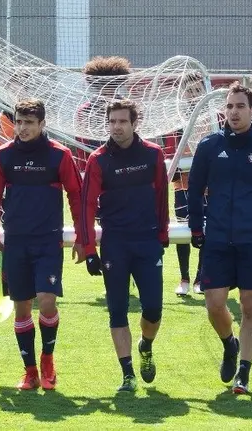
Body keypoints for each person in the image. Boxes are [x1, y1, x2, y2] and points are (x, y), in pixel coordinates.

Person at [187, 82, 252, 394]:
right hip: (217, 240)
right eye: (229, 106)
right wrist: (196, 227)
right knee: (214, 305)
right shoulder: (209, 146)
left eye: (240, 106)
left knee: (249, 306)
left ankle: (243, 371)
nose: (234, 112)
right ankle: (229, 344)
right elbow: (194, 190)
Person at [0, 98, 85, 391]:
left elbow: (76, 196)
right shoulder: (3, 155)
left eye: (29, 123)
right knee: (22, 309)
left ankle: (48, 360)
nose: (22, 128)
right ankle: (30, 371)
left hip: (48, 241)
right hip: (16, 242)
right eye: (18, 122)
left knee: (47, 301)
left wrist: (82, 237)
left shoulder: (60, 155)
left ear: (42, 124)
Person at [81, 99, 170, 392]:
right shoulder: (98, 160)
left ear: (134, 123)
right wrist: (89, 250)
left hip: (147, 241)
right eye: (112, 122)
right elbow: (86, 206)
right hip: (115, 244)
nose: (116, 127)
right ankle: (127, 374)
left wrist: (162, 233)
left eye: (122, 121)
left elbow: (162, 197)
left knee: (153, 309)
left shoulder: (153, 154)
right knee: (117, 310)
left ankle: (146, 345)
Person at [162, 72, 208, 296]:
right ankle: (184, 278)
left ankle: (201, 277)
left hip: (209, 186)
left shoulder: (213, 117)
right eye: (189, 90)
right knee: (182, 230)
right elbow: (169, 152)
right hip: (182, 184)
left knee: (206, 230)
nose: (194, 94)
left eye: (198, 90)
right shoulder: (175, 120)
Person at [74, 56, 132, 171]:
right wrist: (85, 169)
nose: (107, 90)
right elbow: (81, 144)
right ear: (97, 86)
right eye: (103, 85)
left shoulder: (130, 108)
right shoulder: (85, 110)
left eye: (111, 85)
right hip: (96, 163)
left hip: (126, 163)